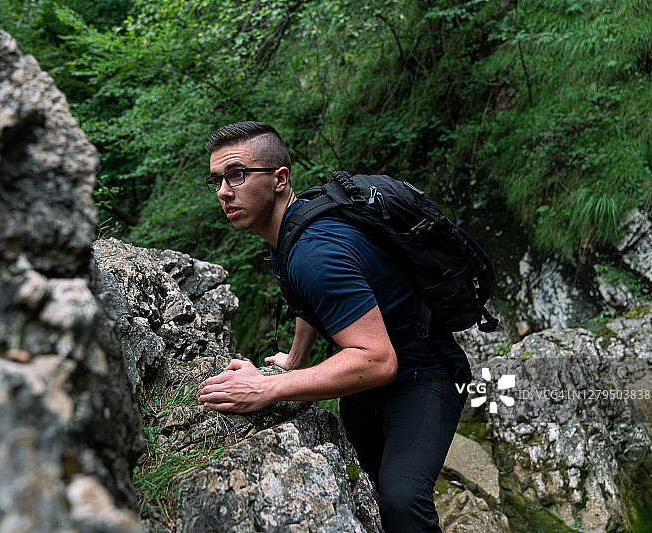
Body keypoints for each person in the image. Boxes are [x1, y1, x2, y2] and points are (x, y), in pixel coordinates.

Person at [197, 121, 469, 532]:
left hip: (425, 376)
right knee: (373, 490)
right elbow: (311, 302)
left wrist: (267, 386)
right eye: (216, 179)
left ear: (279, 179)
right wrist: (294, 357)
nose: (223, 191)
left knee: (402, 499)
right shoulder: (293, 229)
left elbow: (377, 360)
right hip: (366, 392)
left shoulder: (315, 253)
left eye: (237, 174)